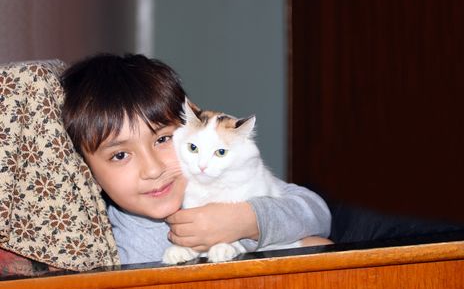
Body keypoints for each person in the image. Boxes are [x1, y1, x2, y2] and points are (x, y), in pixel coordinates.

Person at [60, 53, 332, 264]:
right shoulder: (125, 248)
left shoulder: (210, 179)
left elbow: (318, 213)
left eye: (162, 139)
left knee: (319, 247)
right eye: (120, 155)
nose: (153, 169)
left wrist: (246, 222)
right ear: (86, 172)